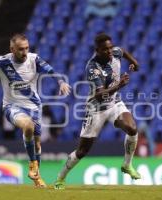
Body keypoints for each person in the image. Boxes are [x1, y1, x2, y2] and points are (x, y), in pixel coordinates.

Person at [0, 33, 71, 187]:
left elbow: (50, 70)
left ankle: (37, 177)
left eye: (26, 48)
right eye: (20, 49)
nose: (24, 52)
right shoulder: (2, 61)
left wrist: (61, 82)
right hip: (12, 106)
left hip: (34, 107)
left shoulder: (34, 59)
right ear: (12, 49)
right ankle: (32, 165)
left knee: (37, 145)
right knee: (27, 125)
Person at [54, 33, 141, 189]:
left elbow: (122, 51)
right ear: (97, 50)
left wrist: (134, 62)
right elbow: (100, 95)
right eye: (105, 49)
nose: (109, 52)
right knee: (82, 151)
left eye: (110, 48)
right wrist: (119, 85)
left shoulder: (115, 52)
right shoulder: (93, 67)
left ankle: (127, 165)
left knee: (132, 129)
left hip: (115, 104)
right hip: (96, 109)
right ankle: (60, 178)